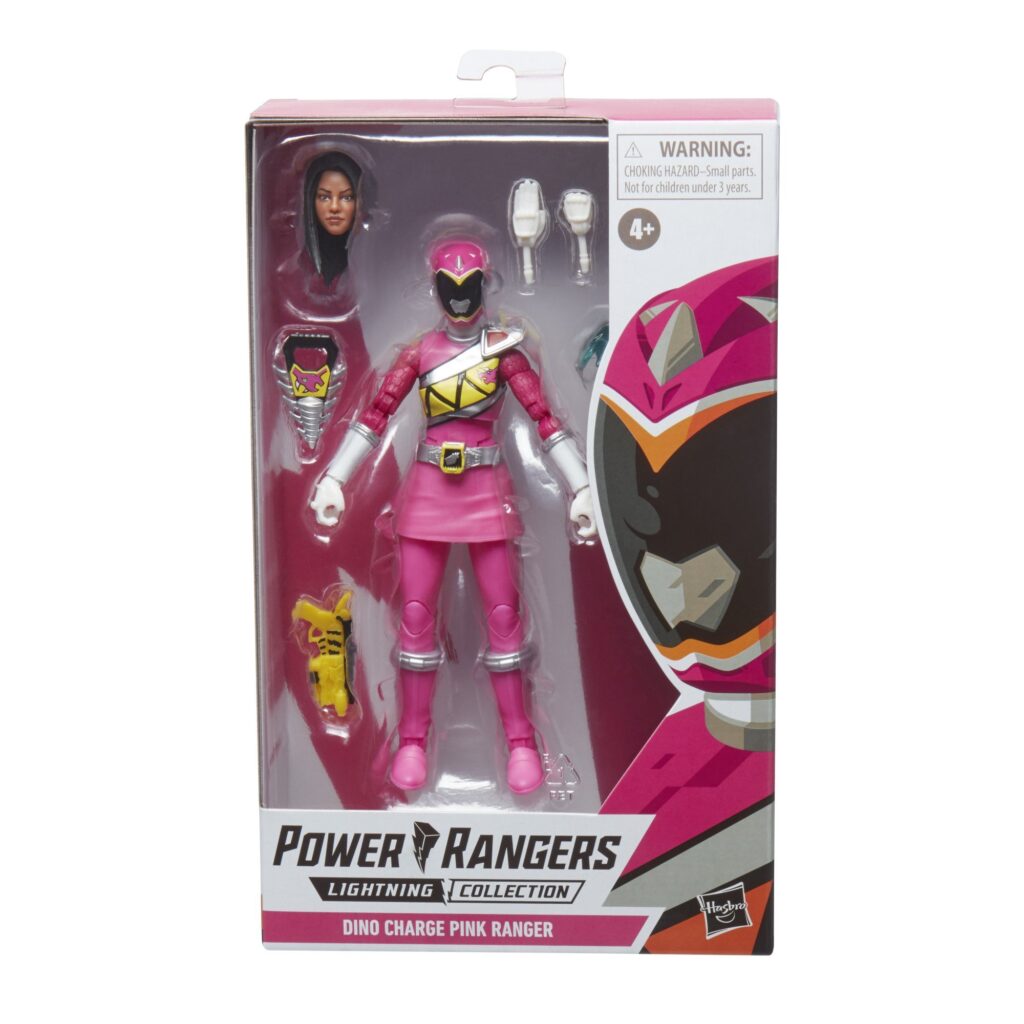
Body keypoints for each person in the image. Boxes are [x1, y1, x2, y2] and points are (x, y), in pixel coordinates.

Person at [310, 238, 594, 794]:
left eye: (470, 286)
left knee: (505, 621)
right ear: (437, 288)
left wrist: (580, 485)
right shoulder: (419, 353)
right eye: (450, 287)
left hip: (487, 494)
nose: (461, 297)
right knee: (415, 620)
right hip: (427, 496)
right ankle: (412, 741)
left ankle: (520, 742)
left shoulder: (504, 352)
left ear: (485, 286)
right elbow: (375, 415)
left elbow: (544, 418)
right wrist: (335, 478)